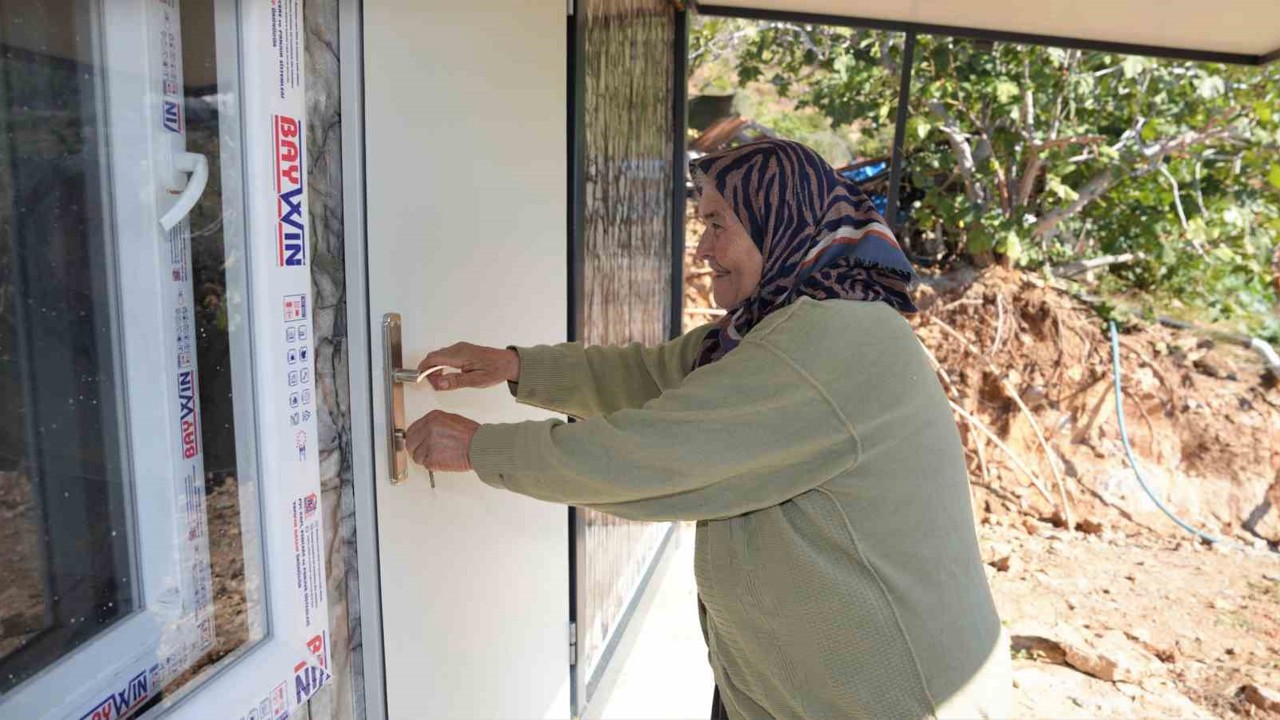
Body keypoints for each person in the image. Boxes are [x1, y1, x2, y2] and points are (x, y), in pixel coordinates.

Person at [405, 139, 1011, 719]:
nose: (700, 249)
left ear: (780, 220)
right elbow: (655, 376)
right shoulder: (768, 327)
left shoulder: (830, 342)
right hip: (787, 691)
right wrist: (517, 366)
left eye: (719, 225)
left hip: (887, 700)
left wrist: (481, 448)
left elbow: (656, 456)